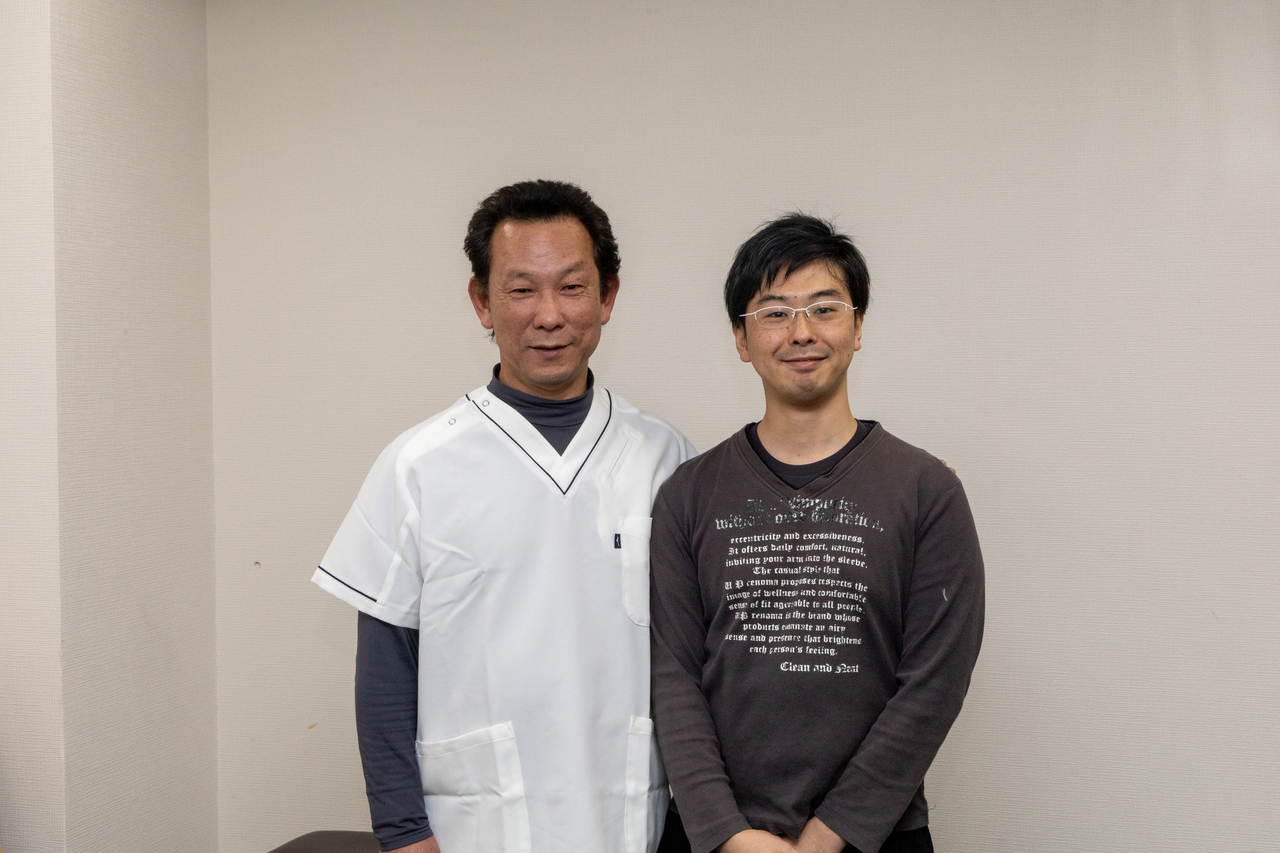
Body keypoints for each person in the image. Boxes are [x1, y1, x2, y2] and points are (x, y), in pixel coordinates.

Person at [314, 180, 695, 853]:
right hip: (477, 828)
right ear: (481, 301)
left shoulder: (665, 458)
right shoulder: (419, 466)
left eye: (571, 287)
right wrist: (403, 833)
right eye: (521, 289)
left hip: (629, 818)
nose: (548, 315)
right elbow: (385, 671)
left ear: (607, 296)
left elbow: (695, 661)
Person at [649, 214, 985, 853]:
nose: (801, 332)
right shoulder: (688, 494)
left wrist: (832, 834)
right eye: (774, 312)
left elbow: (935, 682)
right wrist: (725, 832)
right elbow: (673, 676)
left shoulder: (926, 491)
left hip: (876, 834)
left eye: (824, 308)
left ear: (858, 328)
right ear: (742, 338)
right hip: (717, 838)